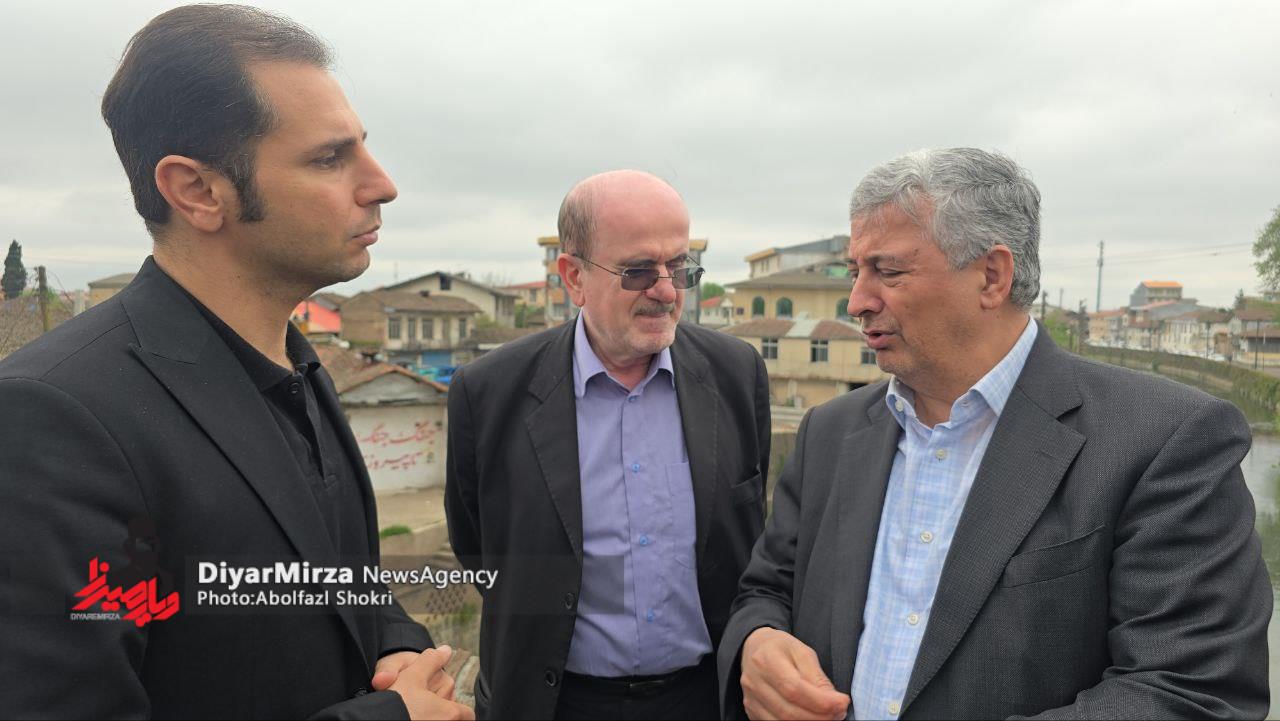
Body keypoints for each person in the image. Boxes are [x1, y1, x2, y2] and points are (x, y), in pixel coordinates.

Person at [0, 5, 472, 719]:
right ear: (197, 191)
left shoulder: (297, 370)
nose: (381, 184)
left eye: (363, 149)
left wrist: (395, 647)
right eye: (329, 158)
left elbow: (335, 582)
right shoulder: (55, 418)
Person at [719, 148, 1271, 720]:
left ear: (991, 276)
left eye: (888, 271)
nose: (857, 301)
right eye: (856, 270)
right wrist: (758, 642)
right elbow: (767, 589)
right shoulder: (830, 432)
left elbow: (1189, 689)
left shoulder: (1164, 439)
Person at [445, 170, 771, 719]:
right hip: (554, 704)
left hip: (707, 699)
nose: (665, 291)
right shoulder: (489, 392)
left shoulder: (736, 373)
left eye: (680, 267)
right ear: (574, 277)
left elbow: (751, 537)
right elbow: (477, 546)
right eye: (638, 271)